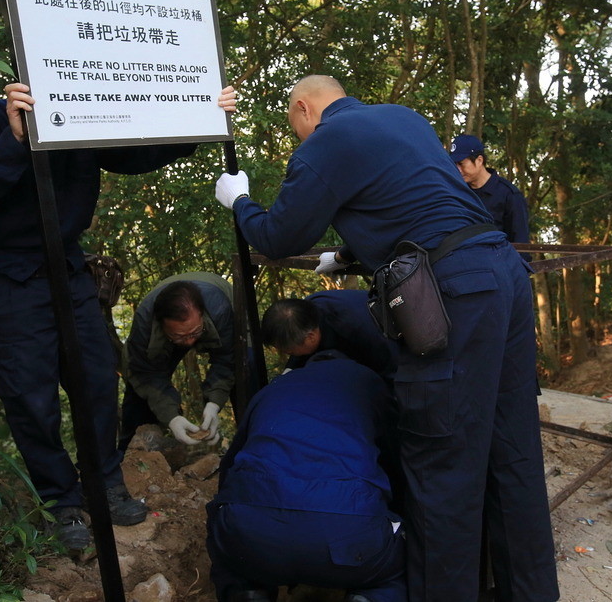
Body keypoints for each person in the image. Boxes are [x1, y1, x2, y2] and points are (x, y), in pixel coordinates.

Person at [215, 75, 558, 602]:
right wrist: (350, 253)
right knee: (511, 449)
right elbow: (415, 202)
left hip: (453, 293)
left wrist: (240, 202)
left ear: (305, 109)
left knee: (441, 462)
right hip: (501, 274)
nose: (299, 137)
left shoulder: (325, 143)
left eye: (294, 125)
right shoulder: (403, 118)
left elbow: (278, 236)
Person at [0, 82, 237, 550]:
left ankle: (106, 484)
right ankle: (62, 503)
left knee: (98, 381)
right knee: (31, 398)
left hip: (70, 268)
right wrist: (14, 137)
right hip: (10, 277)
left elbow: (134, 149)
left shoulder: (78, 108)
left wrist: (202, 116)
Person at [206, 350, 406, 602]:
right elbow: (395, 455)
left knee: (232, 558)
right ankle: (371, 596)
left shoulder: (275, 387)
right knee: (392, 570)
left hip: (251, 527)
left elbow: (231, 466)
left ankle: (248, 591)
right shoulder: (367, 381)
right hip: (348, 527)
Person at [120, 272, 235, 449]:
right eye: (181, 336)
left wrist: (214, 404)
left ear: (202, 314)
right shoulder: (145, 324)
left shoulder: (221, 309)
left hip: (220, 315)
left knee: (246, 364)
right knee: (138, 395)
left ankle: (251, 440)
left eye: (194, 333)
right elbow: (144, 374)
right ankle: (128, 454)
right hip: (158, 342)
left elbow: (227, 359)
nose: (189, 342)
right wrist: (171, 417)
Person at [261, 290, 397, 376]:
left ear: (310, 337)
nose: (291, 356)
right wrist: (290, 370)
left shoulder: (362, 332)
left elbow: (392, 372)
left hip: (397, 342)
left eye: (290, 352)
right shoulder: (302, 314)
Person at [449, 133, 531, 260]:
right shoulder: (458, 193)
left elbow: (522, 246)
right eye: (454, 165)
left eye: (461, 164)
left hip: (500, 270)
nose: (458, 169)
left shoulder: (509, 195)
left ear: (479, 160)